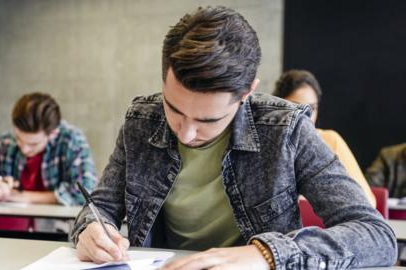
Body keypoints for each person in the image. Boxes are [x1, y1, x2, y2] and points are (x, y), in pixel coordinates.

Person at [71, 6, 396, 270]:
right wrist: (91, 229)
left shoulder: (287, 130)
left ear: (247, 92)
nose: (186, 133)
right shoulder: (141, 122)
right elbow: (100, 206)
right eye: (174, 109)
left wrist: (267, 254)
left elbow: (375, 235)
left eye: (208, 120)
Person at [0, 92, 97, 206]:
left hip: (55, 231)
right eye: (19, 138)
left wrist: (25, 197)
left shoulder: (71, 140)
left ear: (53, 134)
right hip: (6, 229)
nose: (24, 149)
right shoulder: (7, 142)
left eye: (33, 144)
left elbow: (86, 192)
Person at [272, 69, 376, 206]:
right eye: (296, 107)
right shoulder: (265, 143)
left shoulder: (330, 140)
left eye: (312, 108)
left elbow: (367, 202)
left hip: (325, 224)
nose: (306, 116)